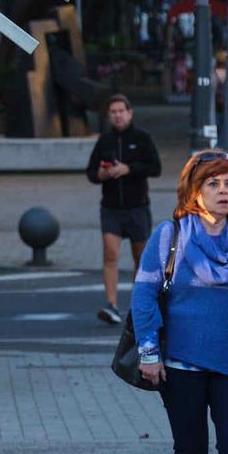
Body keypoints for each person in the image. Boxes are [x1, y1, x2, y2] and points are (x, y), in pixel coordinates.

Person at [134, 151, 228, 454]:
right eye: (213, 183)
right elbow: (143, 295)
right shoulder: (170, 235)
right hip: (180, 363)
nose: (223, 191)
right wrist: (148, 352)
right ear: (194, 189)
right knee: (190, 452)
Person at [88, 92, 161, 325]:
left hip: (137, 207)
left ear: (129, 113)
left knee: (140, 258)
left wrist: (128, 169)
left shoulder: (142, 138)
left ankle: (140, 304)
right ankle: (111, 305)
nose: (118, 116)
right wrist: (101, 174)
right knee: (110, 253)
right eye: (113, 112)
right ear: (109, 116)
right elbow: (91, 172)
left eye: (121, 111)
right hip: (110, 208)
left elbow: (155, 167)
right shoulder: (104, 141)